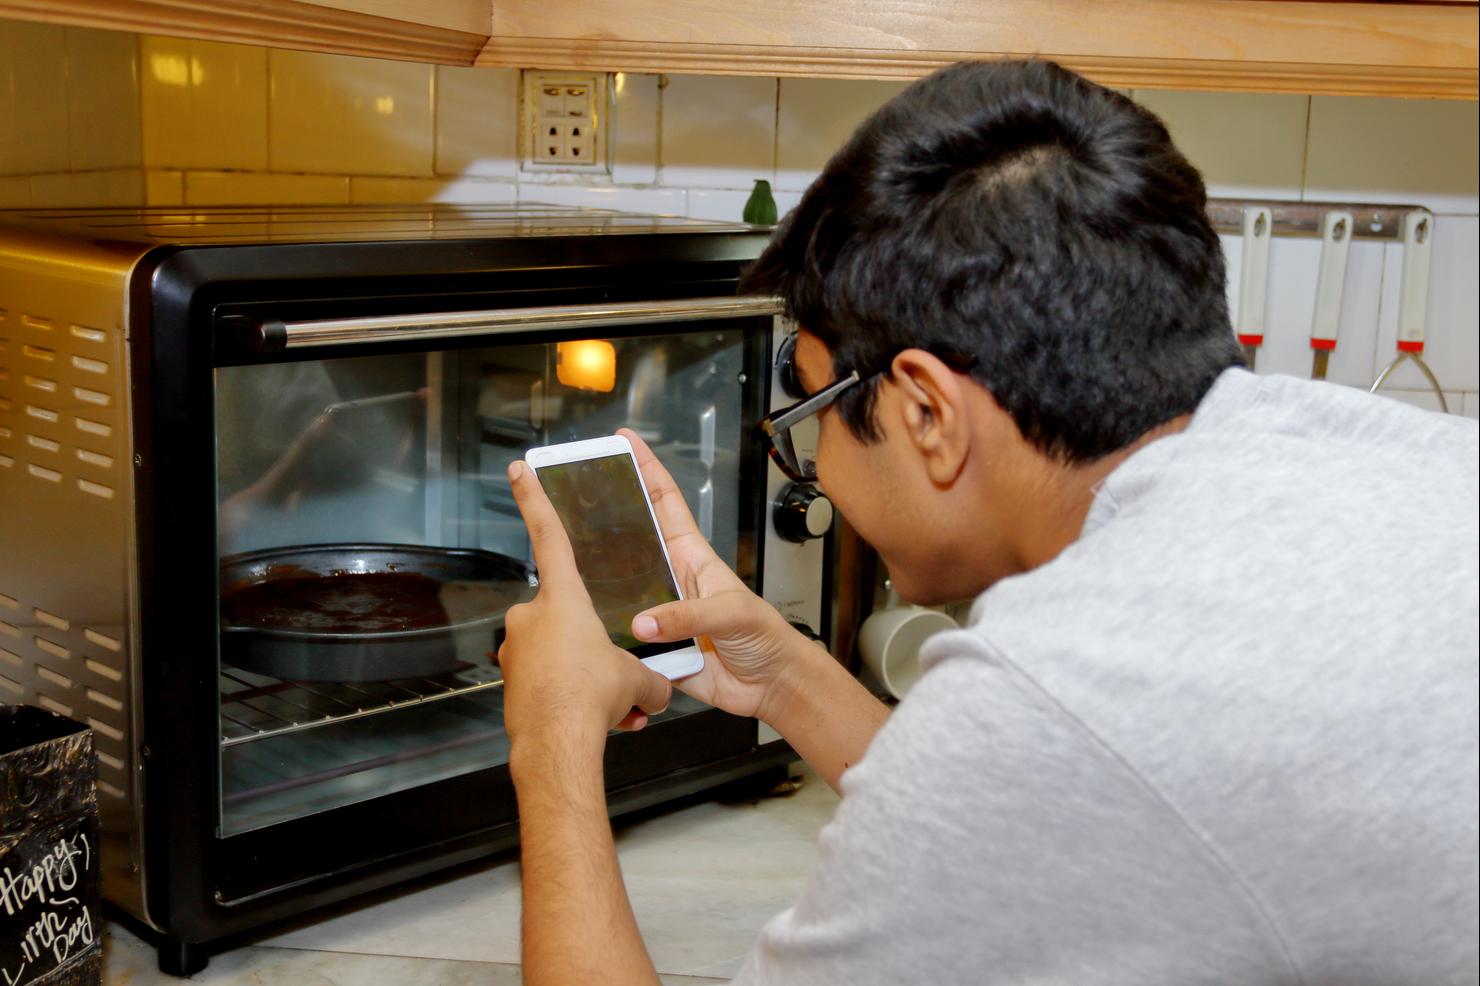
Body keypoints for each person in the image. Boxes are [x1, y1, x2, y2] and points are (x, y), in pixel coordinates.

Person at [496, 59, 1479, 985]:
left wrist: (549, 738)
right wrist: (786, 677)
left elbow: (1043, 755)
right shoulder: (1397, 458)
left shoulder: (1060, 691)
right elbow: (1083, 808)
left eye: (805, 415)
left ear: (924, 410)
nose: (815, 466)